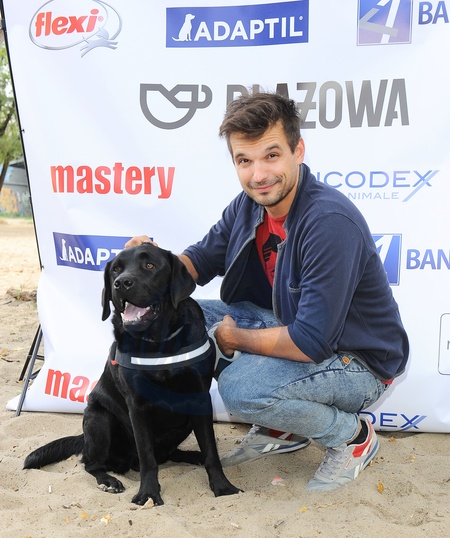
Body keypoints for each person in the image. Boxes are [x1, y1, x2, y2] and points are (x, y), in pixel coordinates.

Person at [127, 92, 409, 492]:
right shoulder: (249, 205)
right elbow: (199, 262)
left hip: (358, 361)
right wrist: (151, 263)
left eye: (271, 156)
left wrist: (233, 338)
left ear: (298, 151)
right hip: (293, 327)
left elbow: (311, 341)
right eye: (245, 160)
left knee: (241, 390)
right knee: (184, 318)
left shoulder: (328, 222)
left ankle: (351, 437)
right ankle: (283, 430)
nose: (258, 175)